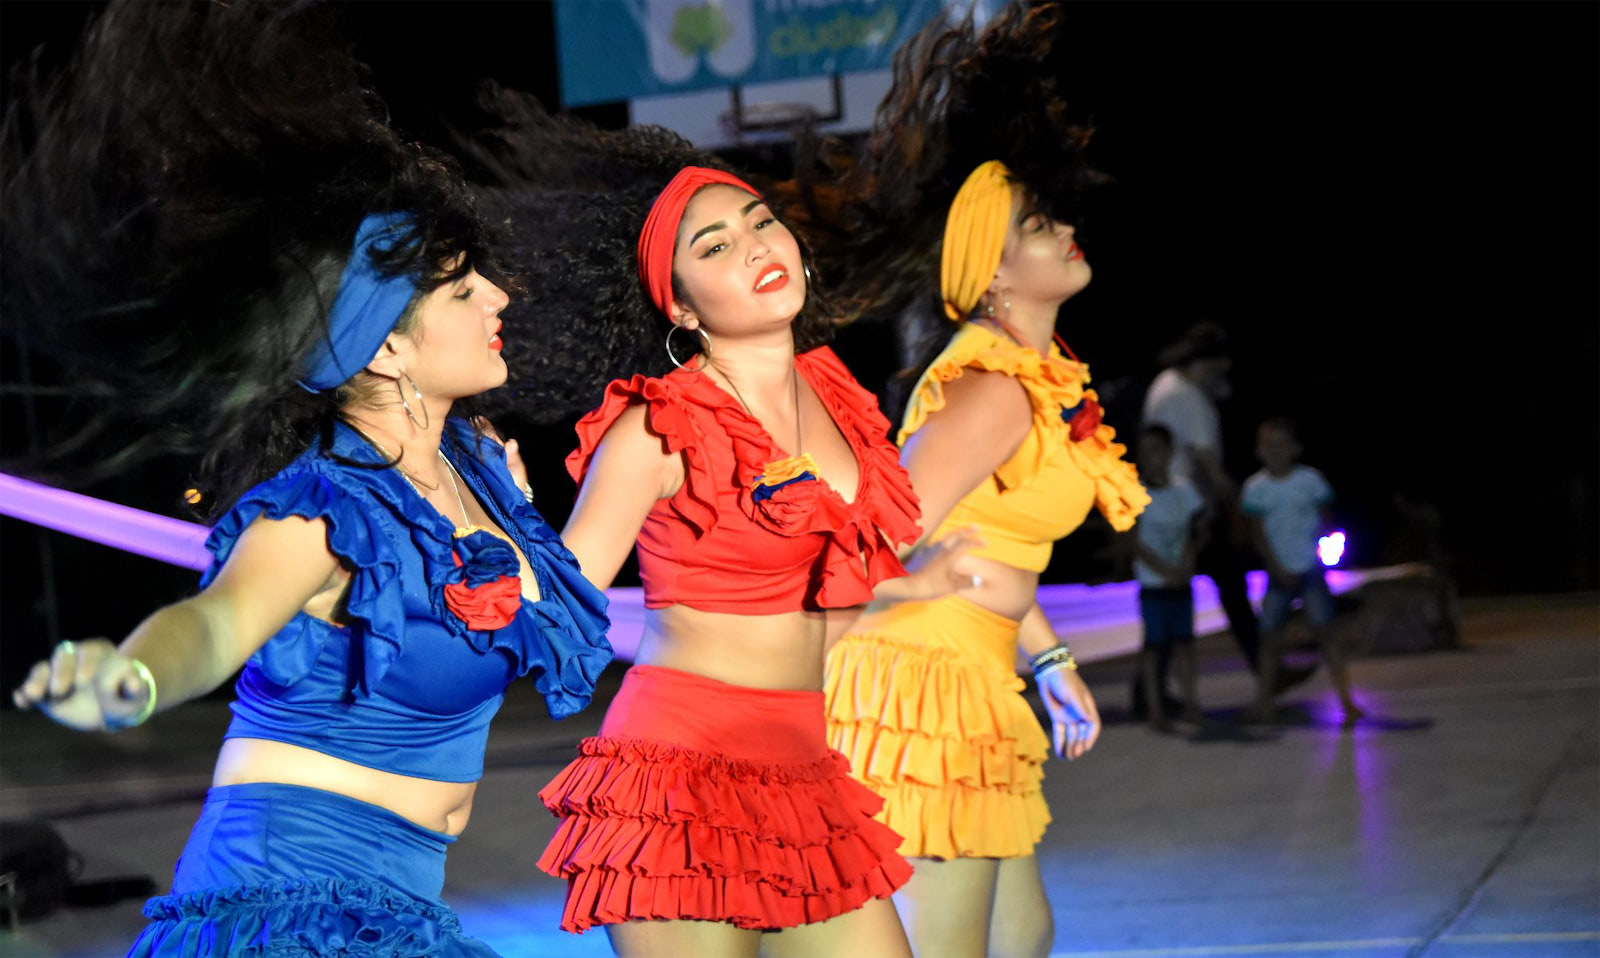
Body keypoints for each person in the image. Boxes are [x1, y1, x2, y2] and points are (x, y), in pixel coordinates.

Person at [3, 5, 611, 954]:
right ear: (388, 350)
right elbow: (216, 624)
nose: (498, 295)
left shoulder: (480, 469)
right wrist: (133, 678)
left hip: (400, 896)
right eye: (462, 289)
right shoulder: (324, 510)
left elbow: (568, 594)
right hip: (292, 896)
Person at [466, 101, 980, 957]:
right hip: (678, 774)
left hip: (806, 770)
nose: (754, 246)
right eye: (713, 248)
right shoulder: (659, 426)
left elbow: (818, 590)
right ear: (681, 307)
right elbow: (564, 590)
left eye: (761, 222)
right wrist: (503, 517)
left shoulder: (837, 395)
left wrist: (910, 589)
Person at [799, 8, 1150, 955]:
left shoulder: (1029, 377)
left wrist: (1050, 661)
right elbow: (878, 538)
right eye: (1038, 225)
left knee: (1023, 935)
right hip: (924, 682)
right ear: (991, 274)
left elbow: (988, 549)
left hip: (980, 674)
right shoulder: (993, 389)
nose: (1066, 230)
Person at [1140, 322, 1313, 713]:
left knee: (1189, 595)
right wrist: (1240, 505)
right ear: (1205, 364)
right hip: (1191, 511)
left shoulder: (1164, 384)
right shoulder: (1189, 398)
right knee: (1213, 592)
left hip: (1165, 507)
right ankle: (1265, 670)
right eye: (1220, 368)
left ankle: (1150, 695)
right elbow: (1206, 463)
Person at [1241, 418, 1362, 723]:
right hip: (1277, 572)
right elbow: (1257, 533)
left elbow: (1326, 518)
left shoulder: (1311, 480)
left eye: (1281, 444)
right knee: (1270, 638)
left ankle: (1347, 701)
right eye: (1268, 445)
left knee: (1326, 634)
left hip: (1310, 569)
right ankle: (1263, 703)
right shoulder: (1255, 488)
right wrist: (1275, 566)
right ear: (1259, 450)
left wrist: (1318, 553)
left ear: (1295, 448)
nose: (1275, 451)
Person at [1129, 424, 1207, 730]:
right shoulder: (1135, 493)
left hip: (1181, 580)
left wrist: (1185, 564)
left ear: (1169, 452)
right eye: (1145, 452)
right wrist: (1163, 570)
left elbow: (1195, 531)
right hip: (1153, 582)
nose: (1151, 458)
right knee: (1153, 646)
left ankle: (1191, 703)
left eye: (1157, 450)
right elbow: (1134, 541)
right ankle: (1155, 710)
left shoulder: (1184, 490)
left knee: (1185, 644)